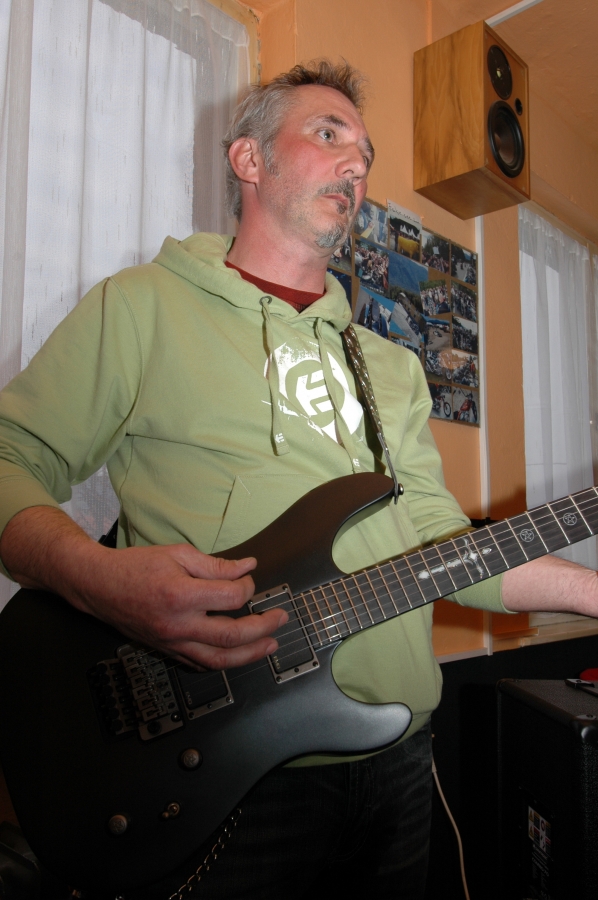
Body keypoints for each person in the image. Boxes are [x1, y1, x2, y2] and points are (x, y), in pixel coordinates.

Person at [0, 60, 597, 900]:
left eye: (367, 153)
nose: (357, 164)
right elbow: (10, 457)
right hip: (217, 774)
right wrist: (96, 580)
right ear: (250, 159)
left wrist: (590, 591)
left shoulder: (392, 367)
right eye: (329, 135)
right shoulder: (141, 307)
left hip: (398, 760)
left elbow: (440, 541)